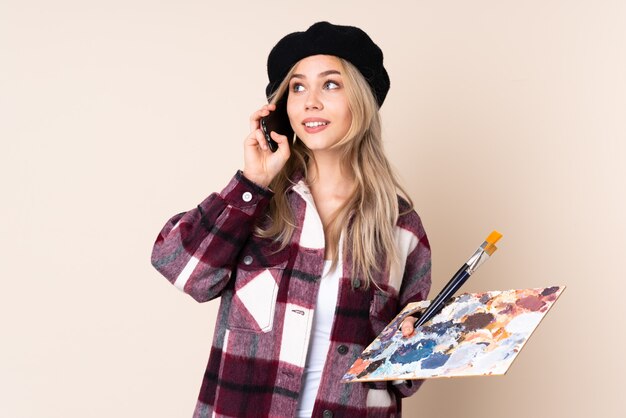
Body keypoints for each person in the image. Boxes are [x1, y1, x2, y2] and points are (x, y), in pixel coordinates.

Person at [151, 21, 431, 418]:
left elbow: (405, 379)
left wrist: (418, 338)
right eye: (297, 87)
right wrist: (252, 182)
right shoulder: (257, 203)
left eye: (331, 84)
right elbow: (182, 270)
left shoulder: (401, 227)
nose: (310, 102)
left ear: (362, 99)